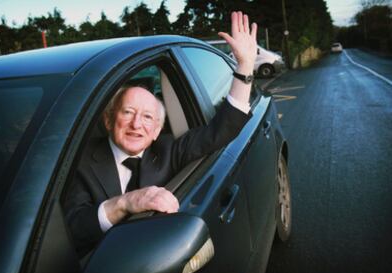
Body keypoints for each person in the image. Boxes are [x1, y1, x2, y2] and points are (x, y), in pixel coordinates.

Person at [64, 11, 258, 257]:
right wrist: (124, 203)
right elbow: (72, 229)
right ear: (108, 119)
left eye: (147, 117)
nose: (137, 124)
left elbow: (222, 129)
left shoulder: (168, 151)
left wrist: (245, 67)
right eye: (128, 112)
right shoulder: (81, 163)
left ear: (156, 131)